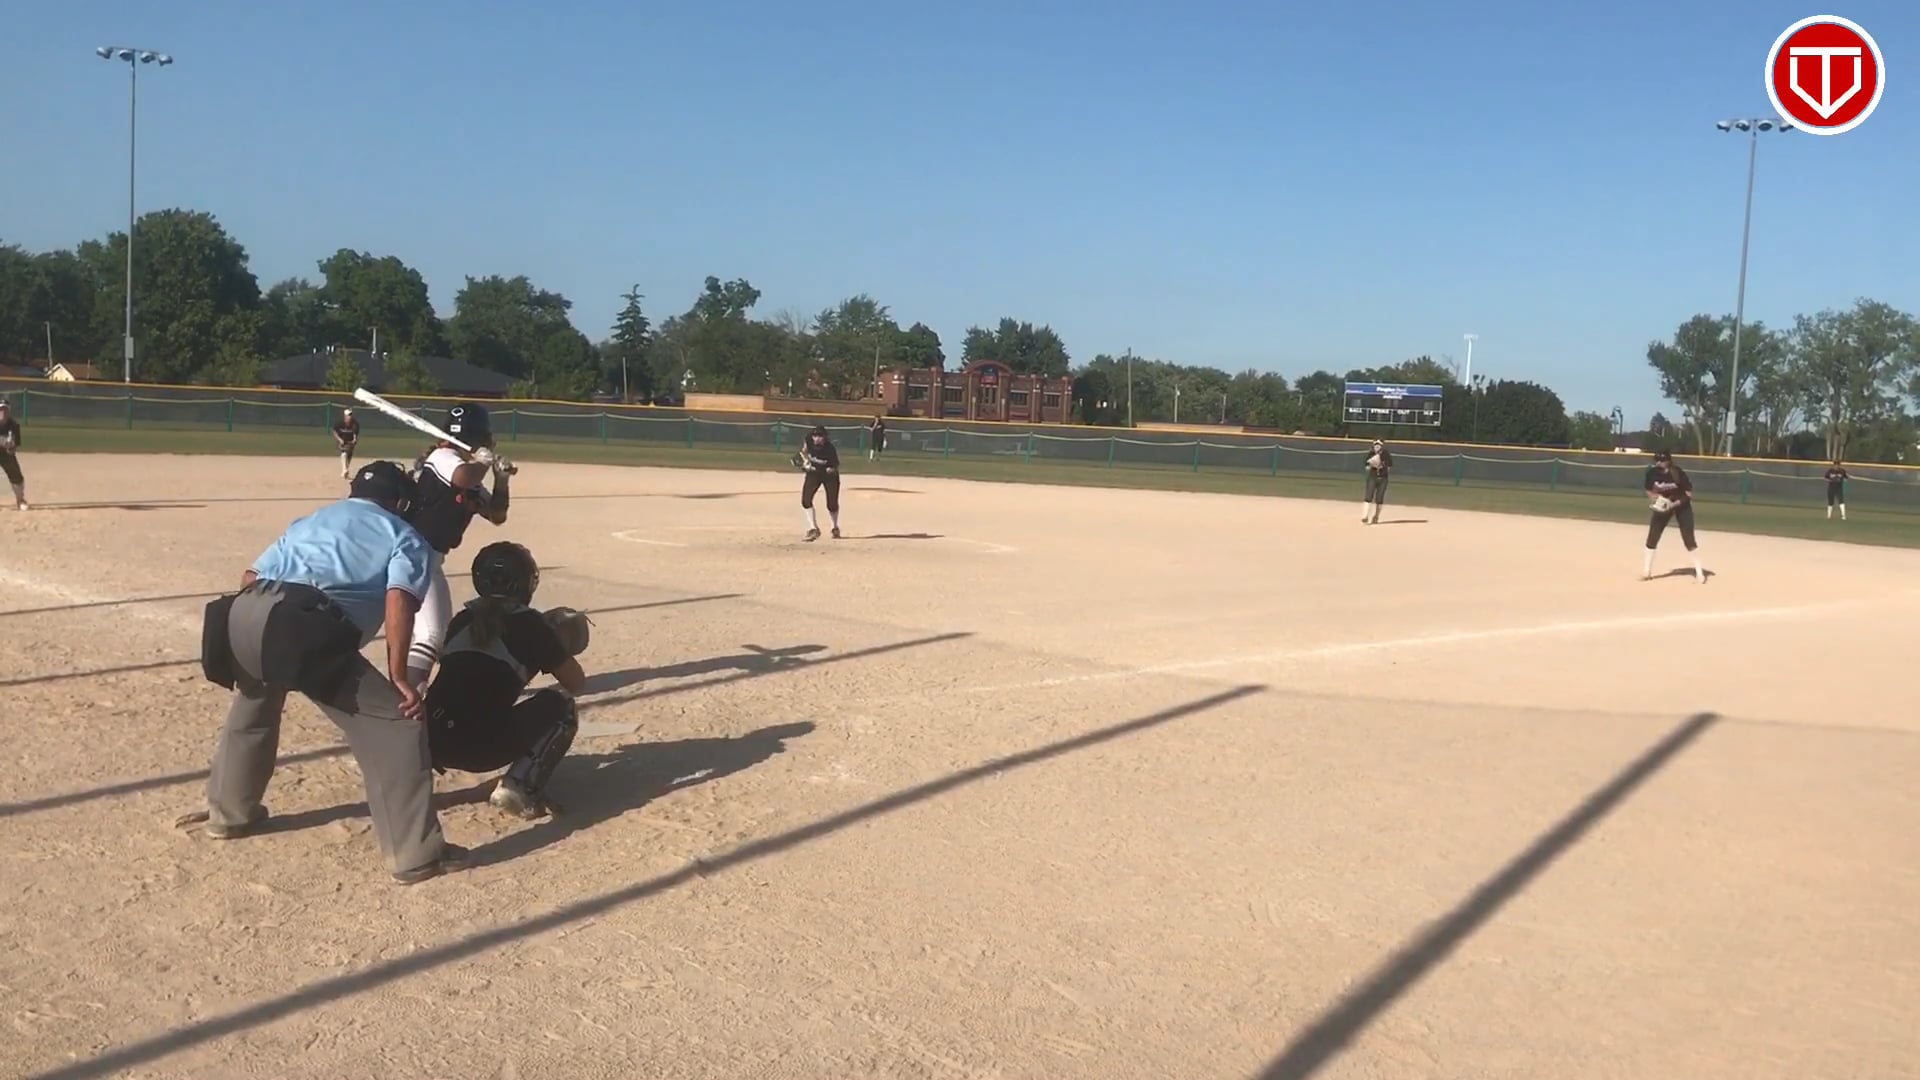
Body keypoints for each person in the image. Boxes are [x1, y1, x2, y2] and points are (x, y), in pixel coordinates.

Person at [180, 461, 469, 885]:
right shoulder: (404, 535)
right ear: (401, 502)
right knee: (396, 722)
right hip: (300, 625)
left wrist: (266, 640)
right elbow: (400, 600)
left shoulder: (313, 520)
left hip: (239, 614)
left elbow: (250, 576)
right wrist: (399, 676)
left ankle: (229, 814)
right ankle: (415, 855)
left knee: (256, 699)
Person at [425, 541, 587, 819]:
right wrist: (553, 642)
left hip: (432, 741)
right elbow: (576, 683)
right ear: (526, 582)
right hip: (482, 749)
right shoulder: (531, 626)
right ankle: (518, 786)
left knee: (456, 699)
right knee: (561, 706)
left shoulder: (462, 619)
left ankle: (412, 783)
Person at [404, 402, 512, 692]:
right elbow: (463, 477)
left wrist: (501, 480)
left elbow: (497, 515)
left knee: (430, 632)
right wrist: (483, 463)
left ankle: (406, 690)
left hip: (426, 559)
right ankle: (407, 698)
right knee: (430, 635)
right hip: (413, 555)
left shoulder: (469, 473)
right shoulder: (443, 457)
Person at [1643, 449, 1706, 583]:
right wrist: (1657, 499)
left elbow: (1688, 494)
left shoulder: (1677, 473)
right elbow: (1649, 490)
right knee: (1653, 536)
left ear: (1669, 461)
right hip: (1663, 505)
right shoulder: (1652, 473)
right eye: (1657, 460)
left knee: (1688, 539)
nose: (1658, 463)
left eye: (1662, 460)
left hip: (1682, 506)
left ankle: (1700, 573)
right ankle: (1646, 571)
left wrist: (1673, 504)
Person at [799, 424, 841, 540]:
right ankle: (813, 529)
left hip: (830, 476)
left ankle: (834, 527)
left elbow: (833, 467)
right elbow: (804, 451)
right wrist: (805, 462)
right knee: (806, 500)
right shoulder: (809, 440)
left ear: (825, 437)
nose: (817, 438)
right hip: (814, 474)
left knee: (832, 504)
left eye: (820, 436)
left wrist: (825, 469)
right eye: (815, 436)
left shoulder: (829, 449)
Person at [0, 397, 24, 510]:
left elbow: (16, 445)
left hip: (6, 454)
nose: (3, 412)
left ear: (9, 411)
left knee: (16, 475)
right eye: (1, 409)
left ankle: (20, 500)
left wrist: (11, 448)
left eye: (5, 409)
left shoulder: (14, 425)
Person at [1361, 438, 1392, 524]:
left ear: (1382, 446)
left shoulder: (1385, 454)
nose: (1377, 447)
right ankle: (1365, 516)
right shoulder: (1371, 453)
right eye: (1376, 445)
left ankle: (1376, 516)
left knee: (1379, 498)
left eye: (1379, 445)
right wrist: (1371, 464)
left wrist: (1382, 465)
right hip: (1372, 477)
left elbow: (1389, 466)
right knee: (1368, 496)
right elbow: (1366, 466)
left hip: (1383, 478)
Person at [332, 407, 361, 479]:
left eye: (351, 415)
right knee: (344, 453)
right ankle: (345, 469)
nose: (350, 417)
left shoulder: (355, 424)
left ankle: (345, 471)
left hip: (350, 441)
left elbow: (355, 434)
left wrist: (354, 439)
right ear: (345, 416)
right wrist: (339, 440)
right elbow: (334, 431)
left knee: (349, 456)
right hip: (342, 440)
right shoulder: (340, 422)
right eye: (348, 415)